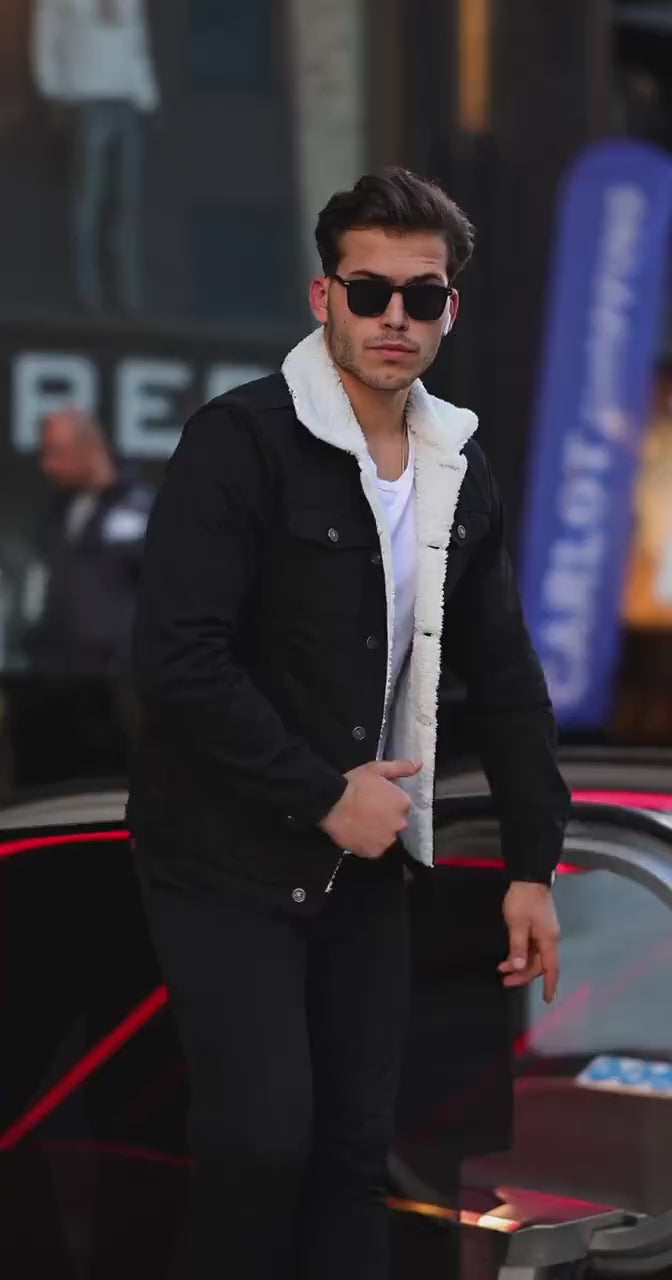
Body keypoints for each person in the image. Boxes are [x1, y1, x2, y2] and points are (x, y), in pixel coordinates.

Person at [128, 168, 571, 1279]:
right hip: (226, 858)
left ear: (450, 308)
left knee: (354, 1158)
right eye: (368, 291)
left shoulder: (458, 464)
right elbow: (178, 660)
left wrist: (534, 862)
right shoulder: (241, 441)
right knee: (260, 1145)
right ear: (322, 295)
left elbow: (504, 673)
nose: (393, 319)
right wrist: (325, 793)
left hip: (367, 868)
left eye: (421, 297)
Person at [16, 409, 153, 782]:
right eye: (45, 454)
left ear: (91, 447)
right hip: (52, 687)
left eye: (57, 453)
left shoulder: (142, 508)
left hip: (115, 692)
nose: (48, 466)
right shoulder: (55, 513)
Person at [31, 0, 159, 312]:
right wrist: (52, 89)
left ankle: (130, 294)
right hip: (86, 98)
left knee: (128, 202)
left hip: (126, 100)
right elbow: (47, 36)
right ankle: (86, 293)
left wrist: (147, 95)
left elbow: (137, 42)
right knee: (87, 200)